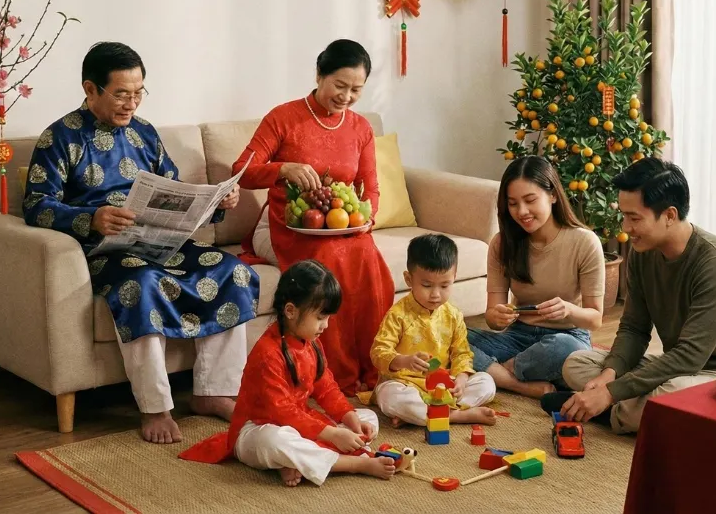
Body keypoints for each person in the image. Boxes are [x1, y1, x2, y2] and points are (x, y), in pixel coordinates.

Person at [22, 42, 259, 444]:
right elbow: (36, 206)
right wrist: (90, 218)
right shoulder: (59, 137)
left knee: (232, 271)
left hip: (160, 242)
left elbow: (174, 190)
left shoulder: (144, 132)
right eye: (121, 94)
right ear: (91, 89)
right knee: (141, 285)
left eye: (138, 93)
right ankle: (155, 408)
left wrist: (215, 203)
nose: (131, 103)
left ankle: (214, 391)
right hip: (105, 251)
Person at [556, 157, 716, 434]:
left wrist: (609, 393)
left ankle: (608, 411)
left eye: (634, 218)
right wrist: (609, 375)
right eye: (624, 216)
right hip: (681, 369)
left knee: (669, 393)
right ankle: (627, 410)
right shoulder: (643, 253)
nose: (625, 228)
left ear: (669, 215)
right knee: (576, 363)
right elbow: (634, 328)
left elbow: (690, 356)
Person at [232, 39, 395, 395]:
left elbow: (370, 187)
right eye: (340, 85)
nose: (347, 96)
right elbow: (241, 171)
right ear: (319, 74)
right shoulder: (283, 117)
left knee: (368, 256)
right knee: (326, 261)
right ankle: (334, 375)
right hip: (284, 225)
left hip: (339, 225)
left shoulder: (360, 128)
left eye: (356, 90)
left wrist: (367, 219)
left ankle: (375, 365)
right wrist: (283, 169)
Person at [180, 260, 396, 487]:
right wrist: (331, 434)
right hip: (257, 429)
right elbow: (281, 412)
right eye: (320, 318)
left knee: (366, 418)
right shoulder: (267, 353)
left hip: (298, 423)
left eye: (328, 318)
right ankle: (353, 464)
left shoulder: (311, 342)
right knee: (275, 441)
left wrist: (349, 418)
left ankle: (292, 462)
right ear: (291, 311)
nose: (326, 325)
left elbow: (327, 389)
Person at [468, 155, 606, 399]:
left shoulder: (584, 242)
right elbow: (492, 318)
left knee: (566, 349)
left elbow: (595, 319)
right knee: (450, 335)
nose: (522, 211)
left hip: (568, 336)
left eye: (530, 200)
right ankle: (521, 384)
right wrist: (497, 316)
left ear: (553, 195)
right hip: (517, 336)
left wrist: (569, 310)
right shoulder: (502, 244)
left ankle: (499, 371)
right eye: (513, 204)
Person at [370, 234, 498, 427]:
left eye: (445, 285)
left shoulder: (454, 315)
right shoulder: (397, 314)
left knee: (486, 383)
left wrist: (462, 379)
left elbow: (462, 353)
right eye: (427, 285)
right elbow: (378, 352)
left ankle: (422, 415)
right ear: (409, 279)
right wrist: (404, 361)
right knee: (389, 396)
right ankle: (457, 415)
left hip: (441, 386)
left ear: (454, 279)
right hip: (405, 383)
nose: (435, 294)